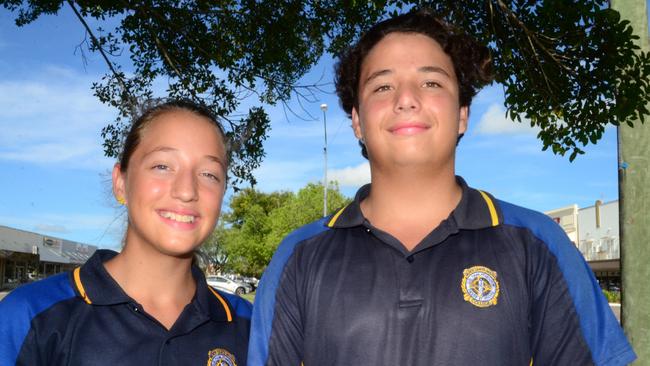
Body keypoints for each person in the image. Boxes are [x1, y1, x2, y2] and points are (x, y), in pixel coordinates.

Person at [248, 9, 636, 366]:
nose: (406, 99)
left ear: (462, 115)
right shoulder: (297, 259)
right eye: (382, 87)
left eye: (431, 82)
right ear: (357, 122)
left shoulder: (538, 245)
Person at [0, 100, 251, 366]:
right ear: (120, 183)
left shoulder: (251, 325)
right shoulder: (29, 315)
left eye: (209, 174)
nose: (187, 190)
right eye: (162, 166)